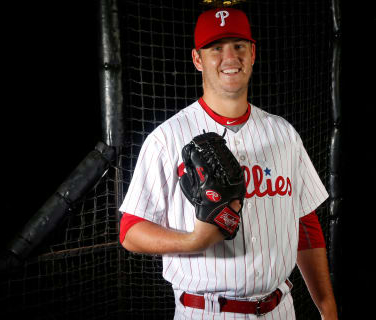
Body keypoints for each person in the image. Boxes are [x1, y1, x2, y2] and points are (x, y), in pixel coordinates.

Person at [119, 7, 338, 320]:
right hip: (207, 312)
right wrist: (194, 241)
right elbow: (130, 230)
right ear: (198, 59)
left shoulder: (284, 133)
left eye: (238, 46)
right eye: (216, 48)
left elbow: (305, 223)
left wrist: (327, 308)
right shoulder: (167, 138)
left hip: (281, 308)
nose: (230, 58)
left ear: (252, 53)